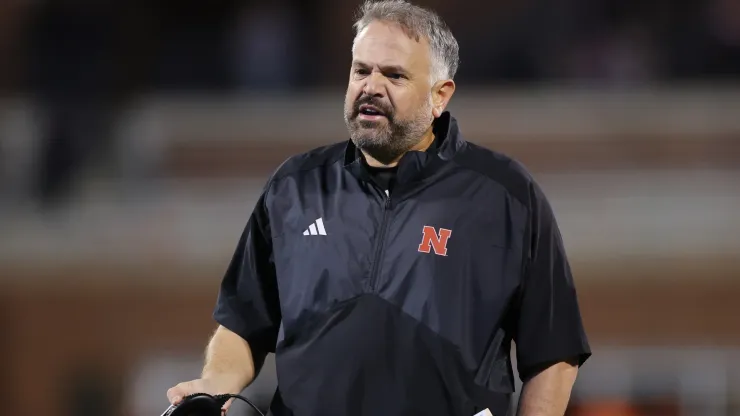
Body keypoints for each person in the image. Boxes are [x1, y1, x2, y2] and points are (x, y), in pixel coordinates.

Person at [167, 1, 591, 415]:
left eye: (394, 75)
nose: (371, 87)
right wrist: (215, 386)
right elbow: (242, 324)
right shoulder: (294, 186)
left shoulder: (506, 196)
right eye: (360, 71)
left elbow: (553, 353)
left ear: (439, 96)